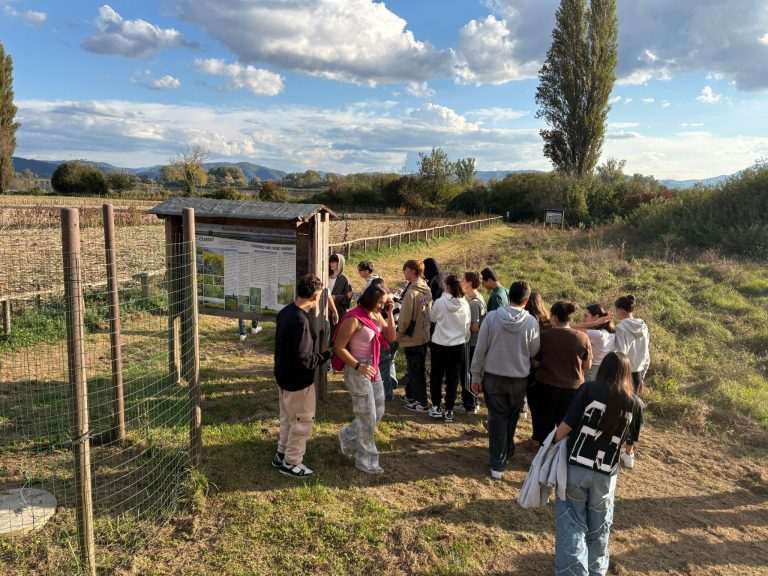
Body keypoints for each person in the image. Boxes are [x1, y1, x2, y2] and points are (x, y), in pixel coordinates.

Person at [553, 352, 644, 576]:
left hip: (576, 466)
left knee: (572, 523)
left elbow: (568, 424)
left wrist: (552, 442)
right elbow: (630, 443)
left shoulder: (588, 389)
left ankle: (573, 572)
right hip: (605, 474)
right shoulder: (635, 404)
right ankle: (596, 571)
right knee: (600, 527)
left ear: (604, 368)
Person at [471, 281, 541, 479]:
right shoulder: (531, 323)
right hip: (519, 378)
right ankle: (506, 451)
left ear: (509, 296)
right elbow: (534, 351)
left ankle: (497, 462)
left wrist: (476, 375)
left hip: (493, 376)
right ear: (526, 301)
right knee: (511, 416)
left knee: (496, 418)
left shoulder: (492, 317)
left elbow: (480, 349)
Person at [272, 274, 331, 479]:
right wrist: (327, 355)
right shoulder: (301, 322)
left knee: (287, 418)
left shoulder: (286, 312)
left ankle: (282, 453)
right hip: (298, 381)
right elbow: (305, 359)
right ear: (315, 296)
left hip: (283, 376)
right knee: (302, 421)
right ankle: (292, 462)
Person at [334, 284, 396, 474]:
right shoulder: (354, 319)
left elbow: (391, 337)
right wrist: (358, 366)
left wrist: (389, 313)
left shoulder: (375, 315)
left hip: (373, 366)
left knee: (378, 410)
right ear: (370, 298)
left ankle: (347, 436)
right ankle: (366, 460)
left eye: (384, 303)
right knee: (367, 415)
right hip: (357, 368)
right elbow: (338, 347)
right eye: (379, 302)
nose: (381, 306)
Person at [530, 301, 592, 445]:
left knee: (545, 424)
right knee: (566, 427)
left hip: (545, 387)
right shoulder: (582, 337)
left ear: (554, 317)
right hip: (572, 389)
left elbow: (536, 363)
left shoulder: (545, 336)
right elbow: (587, 365)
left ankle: (543, 452)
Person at [612, 294, 650, 469]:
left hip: (624, 373)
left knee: (617, 412)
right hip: (638, 373)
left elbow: (620, 354)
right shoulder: (643, 326)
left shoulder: (621, 328)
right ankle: (629, 454)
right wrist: (642, 376)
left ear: (620, 310)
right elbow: (646, 354)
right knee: (633, 413)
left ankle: (614, 448)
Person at [428, 275, 471, 422]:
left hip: (439, 344)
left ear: (447, 286)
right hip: (458, 345)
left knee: (436, 377)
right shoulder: (465, 304)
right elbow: (467, 327)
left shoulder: (440, 302)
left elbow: (432, 318)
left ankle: (435, 406)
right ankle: (449, 410)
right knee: (452, 379)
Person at [398, 259, 433, 412]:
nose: (404, 273)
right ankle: (412, 396)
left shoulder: (411, 293)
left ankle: (422, 402)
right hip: (424, 334)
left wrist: (398, 333)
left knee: (415, 371)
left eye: (405, 270)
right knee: (418, 369)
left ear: (412, 271)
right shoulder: (427, 289)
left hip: (412, 338)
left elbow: (404, 319)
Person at [456, 271, 486, 414]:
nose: (461, 281)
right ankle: (473, 400)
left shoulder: (474, 303)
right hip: (474, 343)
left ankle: (470, 404)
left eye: (463, 279)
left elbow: (474, 327)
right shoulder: (477, 297)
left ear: (468, 283)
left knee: (467, 373)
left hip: (471, 343)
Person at [371, 277, 399, 401]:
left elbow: (377, 320)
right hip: (396, 334)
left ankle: (387, 393)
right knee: (390, 361)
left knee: (383, 365)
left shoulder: (379, 303)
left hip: (385, 336)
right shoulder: (395, 299)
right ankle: (392, 384)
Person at [572, 304, 615, 382]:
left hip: (589, 370)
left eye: (585, 316)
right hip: (600, 369)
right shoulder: (610, 333)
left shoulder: (597, 334)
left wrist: (595, 323)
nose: (583, 319)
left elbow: (571, 329)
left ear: (596, 317)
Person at [329, 253, 353, 333]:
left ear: (340, 263)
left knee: (335, 334)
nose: (331, 263)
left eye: (334, 261)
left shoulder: (344, 279)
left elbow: (348, 298)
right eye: (330, 261)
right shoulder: (326, 276)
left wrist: (335, 297)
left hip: (338, 311)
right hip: (325, 310)